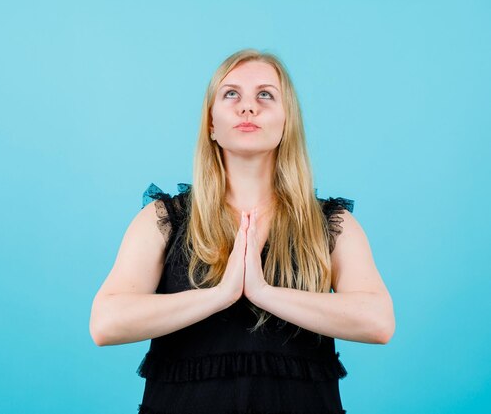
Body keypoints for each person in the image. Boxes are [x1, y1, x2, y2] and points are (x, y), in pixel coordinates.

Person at [90, 48, 395, 414]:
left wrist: (263, 292)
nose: (247, 107)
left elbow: (378, 322)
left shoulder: (331, 223)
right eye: (231, 93)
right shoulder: (164, 219)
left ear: (287, 122)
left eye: (265, 95)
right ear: (212, 124)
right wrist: (221, 295)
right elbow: (106, 323)